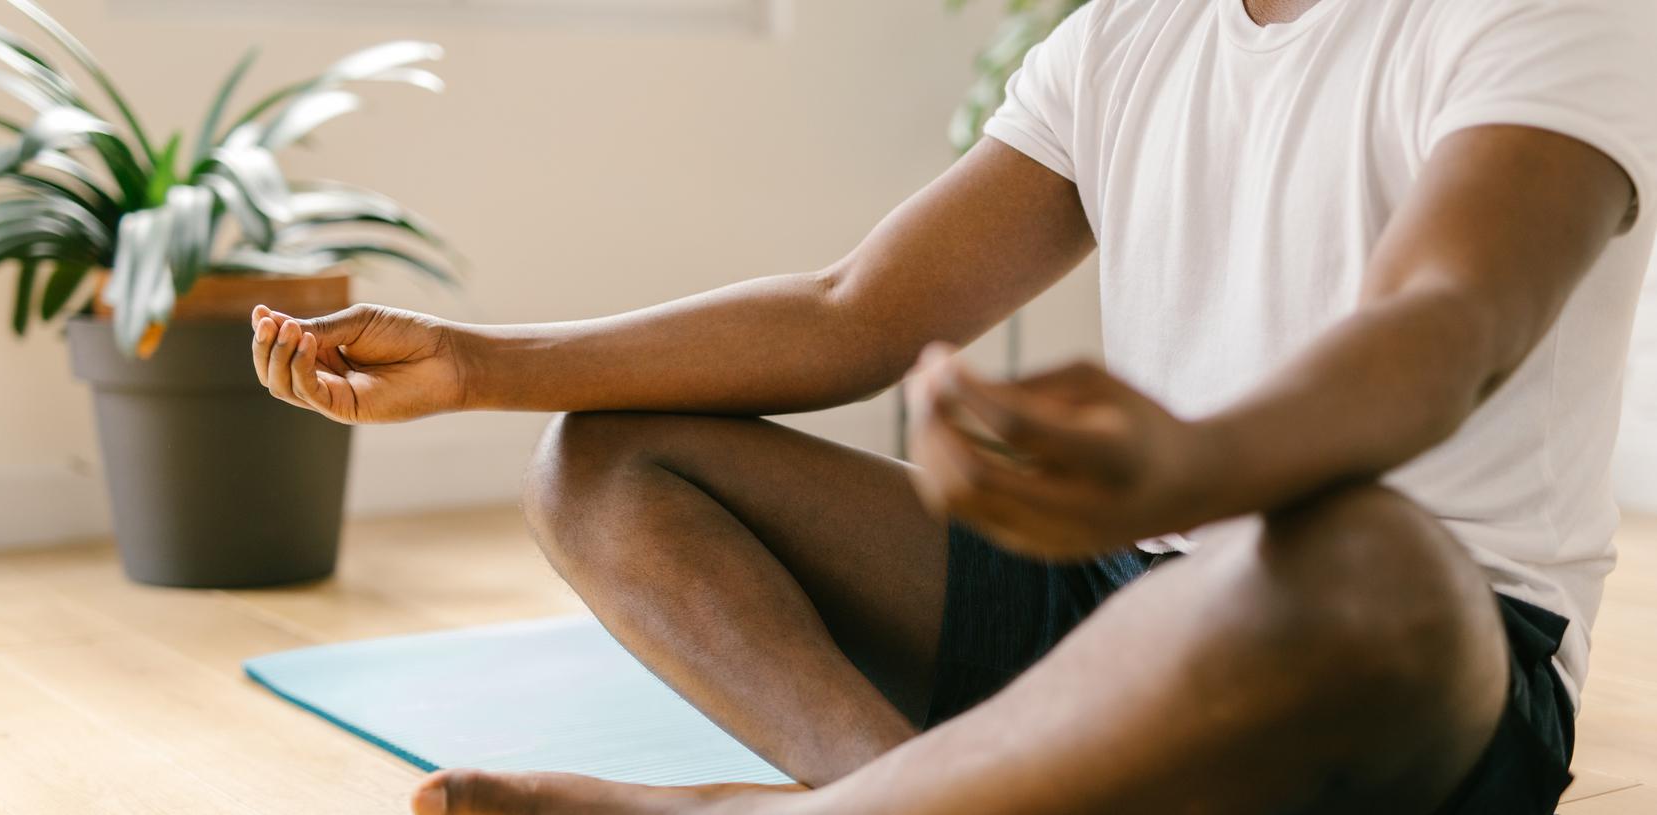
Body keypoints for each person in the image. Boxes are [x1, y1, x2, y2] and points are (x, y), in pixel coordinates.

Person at [249, 0, 1657, 811]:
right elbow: (854, 311)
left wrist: (1186, 462)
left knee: (1366, 553)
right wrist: (480, 364)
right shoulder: (1124, 37)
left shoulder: (1545, 13)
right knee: (604, 456)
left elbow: (1445, 322)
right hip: (1120, 604)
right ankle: (876, 799)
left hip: (1407, 656)